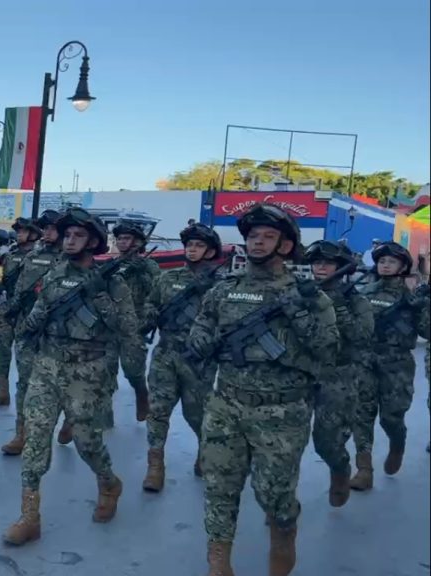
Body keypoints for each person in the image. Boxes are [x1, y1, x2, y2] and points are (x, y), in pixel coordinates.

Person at [187, 204, 337, 575]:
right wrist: (208, 342)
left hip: (281, 412)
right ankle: (218, 560)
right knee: (220, 486)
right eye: (253, 235)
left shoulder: (308, 296)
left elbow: (328, 350)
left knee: (274, 494)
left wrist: (297, 311)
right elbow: (200, 331)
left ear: (286, 246)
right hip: (227, 402)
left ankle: (284, 529)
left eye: (268, 236)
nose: (258, 241)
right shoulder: (225, 291)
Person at [2, 208, 136, 545]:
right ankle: (29, 516)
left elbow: (128, 329)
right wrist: (31, 324)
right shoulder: (54, 275)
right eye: (67, 235)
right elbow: (35, 318)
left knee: (86, 441)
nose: (69, 240)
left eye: (77, 235)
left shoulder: (113, 282)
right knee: (35, 439)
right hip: (47, 366)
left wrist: (100, 296)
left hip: (87, 370)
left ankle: (108, 482)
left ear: (93, 241)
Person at [138, 223, 223, 492]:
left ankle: (204, 453)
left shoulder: (220, 286)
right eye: (190, 245)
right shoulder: (168, 278)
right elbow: (151, 303)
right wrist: (148, 317)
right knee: (158, 410)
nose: (192, 249)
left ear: (210, 251)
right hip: (166, 353)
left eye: (199, 245)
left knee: (197, 414)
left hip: (199, 360)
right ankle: (155, 465)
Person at [351, 241, 429, 489]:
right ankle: (364, 469)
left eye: (391, 262)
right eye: (382, 261)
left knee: (391, 417)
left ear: (403, 266)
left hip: (397, 366)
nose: (385, 265)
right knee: (362, 415)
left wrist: (425, 307)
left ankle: (397, 444)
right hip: (366, 361)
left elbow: (427, 332)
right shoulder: (364, 292)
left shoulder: (413, 298)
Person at [303, 240, 373, 507]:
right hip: (301, 375)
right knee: (286, 443)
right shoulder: (303, 293)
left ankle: (340, 469)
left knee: (327, 442)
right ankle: (281, 502)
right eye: (316, 262)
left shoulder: (357, 301)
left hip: (339, 378)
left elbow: (362, 337)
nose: (320, 267)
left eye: (327, 262)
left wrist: (339, 306)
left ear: (341, 267)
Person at [0, 210, 64, 456]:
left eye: (52, 228)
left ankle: (69, 420)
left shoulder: (69, 260)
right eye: (44, 228)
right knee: (25, 381)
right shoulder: (31, 256)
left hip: (56, 332)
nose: (47, 232)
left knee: (59, 383)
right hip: (27, 327)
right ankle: (22, 433)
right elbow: (17, 289)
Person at [106, 220, 157, 423]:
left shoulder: (149, 265)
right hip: (110, 325)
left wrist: (142, 271)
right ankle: (104, 415)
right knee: (105, 372)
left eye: (127, 238)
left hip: (135, 325)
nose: (122, 242)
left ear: (137, 242)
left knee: (133, 370)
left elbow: (157, 291)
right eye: (119, 238)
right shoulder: (112, 264)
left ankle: (141, 394)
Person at [0, 218, 40, 407]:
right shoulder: (11, 254)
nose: (19, 234)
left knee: (24, 357)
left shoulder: (39, 255)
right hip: (8, 308)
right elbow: (8, 279)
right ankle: (3, 391)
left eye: (23, 231)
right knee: (2, 351)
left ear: (33, 234)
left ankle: (25, 395)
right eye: (17, 231)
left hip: (27, 310)